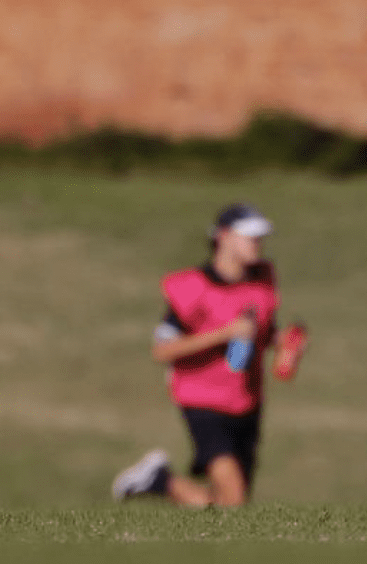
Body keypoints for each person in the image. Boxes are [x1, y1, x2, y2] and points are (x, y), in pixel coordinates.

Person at [111, 202, 308, 507]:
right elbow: (162, 350)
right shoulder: (193, 288)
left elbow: (263, 331)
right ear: (224, 237)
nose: (257, 244)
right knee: (234, 499)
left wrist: (285, 342)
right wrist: (223, 333)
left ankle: (160, 481)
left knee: (231, 505)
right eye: (249, 237)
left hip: (246, 402)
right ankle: (161, 482)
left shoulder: (262, 281)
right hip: (202, 399)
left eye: (260, 237)